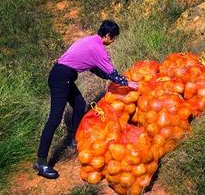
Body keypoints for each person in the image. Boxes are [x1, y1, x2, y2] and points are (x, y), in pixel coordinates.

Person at [34, 20, 137, 179]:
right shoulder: (98, 48)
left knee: (80, 104)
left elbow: (96, 69)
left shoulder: (89, 41)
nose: (113, 41)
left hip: (61, 75)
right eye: (114, 38)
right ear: (108, 36)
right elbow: (112, 74)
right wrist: (129, 83)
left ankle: (74, 139)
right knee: (54, 119)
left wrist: (113, 78)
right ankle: (41, 161)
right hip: (62, 78)